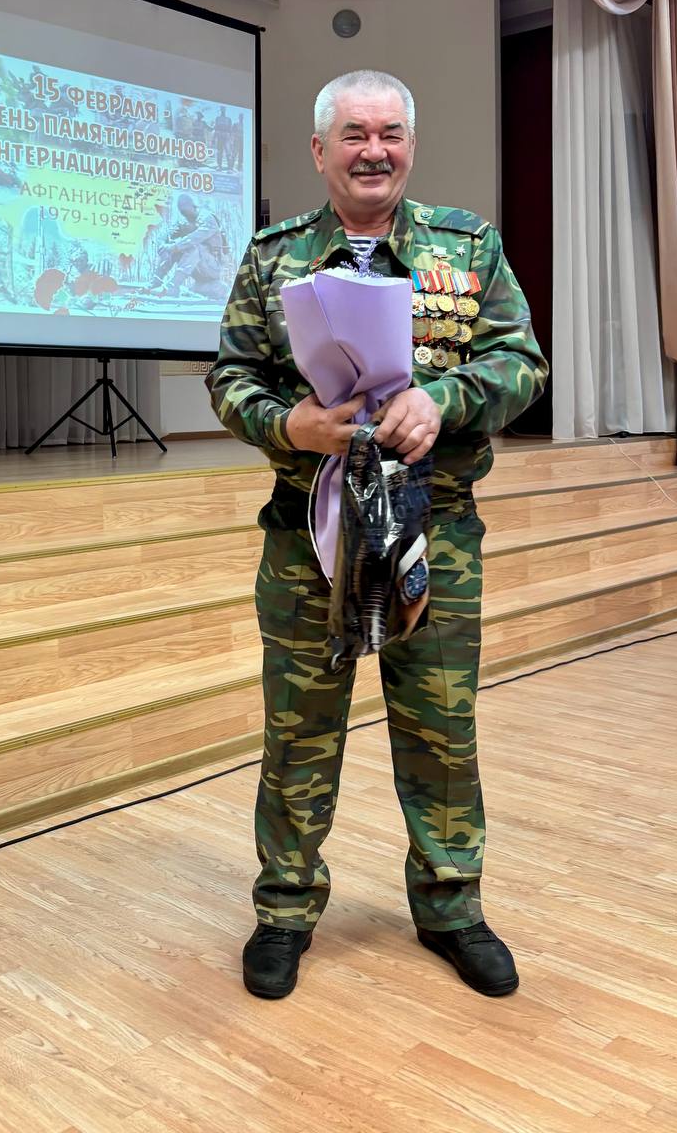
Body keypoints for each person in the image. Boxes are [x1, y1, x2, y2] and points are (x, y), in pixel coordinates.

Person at [206, 69, 548, 1001]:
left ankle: (451, 908)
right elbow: (230, 378)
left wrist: (443, 399)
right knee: (298, 732)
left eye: (390, 133)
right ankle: (284, 909)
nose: (374, 151)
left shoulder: (466, 246)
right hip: (306, 537)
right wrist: (289, 425)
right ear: (320, 150)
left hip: (432, 532)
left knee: (441, 731)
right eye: (354, 134)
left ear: (410, 144)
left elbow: (521, 363)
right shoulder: (274, 255)